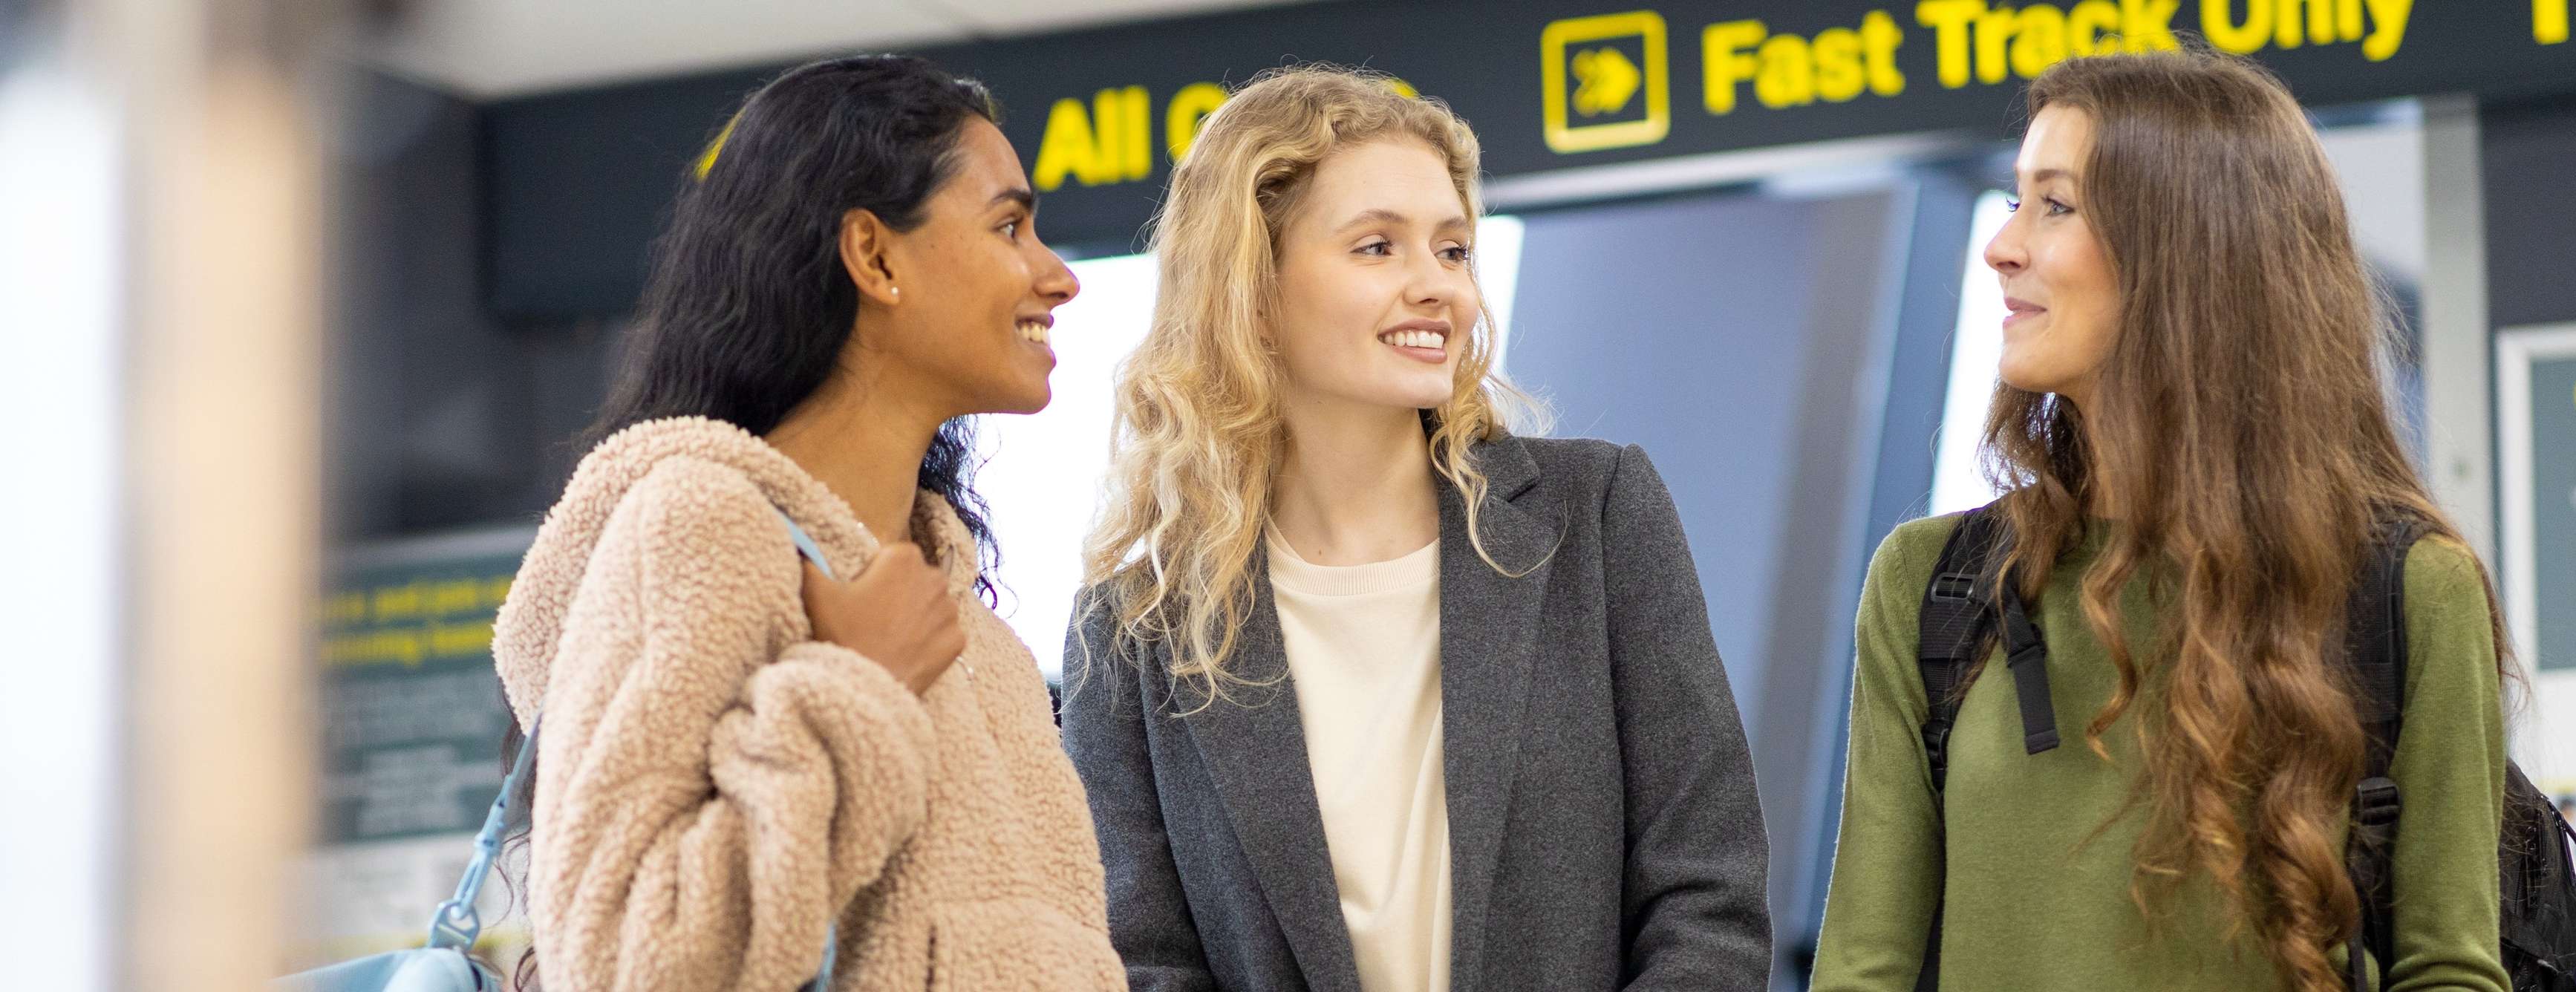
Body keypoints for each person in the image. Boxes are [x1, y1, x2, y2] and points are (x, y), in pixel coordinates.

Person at [1058, 65, 1773, 992]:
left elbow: (1707, 895)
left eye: (1452, 249)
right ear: (1252, 290)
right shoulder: (1132, 632)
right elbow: (1143, 962)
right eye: (1376, 248)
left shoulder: (1597, 514)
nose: (1438, 288)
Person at [1810, 48, 2511, 992]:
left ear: (2189, 252)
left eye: (2055, 205)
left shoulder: (2405, 587)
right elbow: (1863, 972)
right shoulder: (1929, 584)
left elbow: (2451, 972)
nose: (2002, 244)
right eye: (2017, 199)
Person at [489, 54, 1123, 991]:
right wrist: (852, 687)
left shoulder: (980, 641)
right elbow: (625, 967)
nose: (1057, 276)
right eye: (1010, 226)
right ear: (874, 256)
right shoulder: (700, 526)